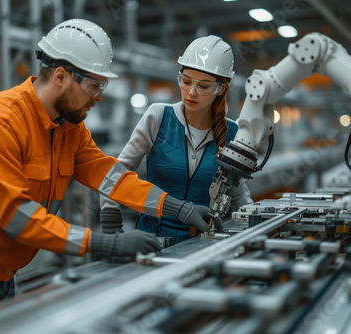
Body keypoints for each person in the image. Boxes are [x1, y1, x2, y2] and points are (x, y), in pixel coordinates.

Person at [0, 19, 218, 329]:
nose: (99, 96)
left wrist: (178, 207)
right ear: (61, 76)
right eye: (95, 85)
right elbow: (18, 216)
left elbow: (109, 176)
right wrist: (104, 243)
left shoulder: (68, 127)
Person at [100, 35, 253, 243]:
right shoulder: (158, 117)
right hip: (152, 237)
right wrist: (111, 225)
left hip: (202, 241)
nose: (191, 92)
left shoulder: (232, 132)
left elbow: (237, 195)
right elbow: (117, 174)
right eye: (186, 81)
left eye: (204, 86)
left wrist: (257, 224)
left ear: (221, 89)